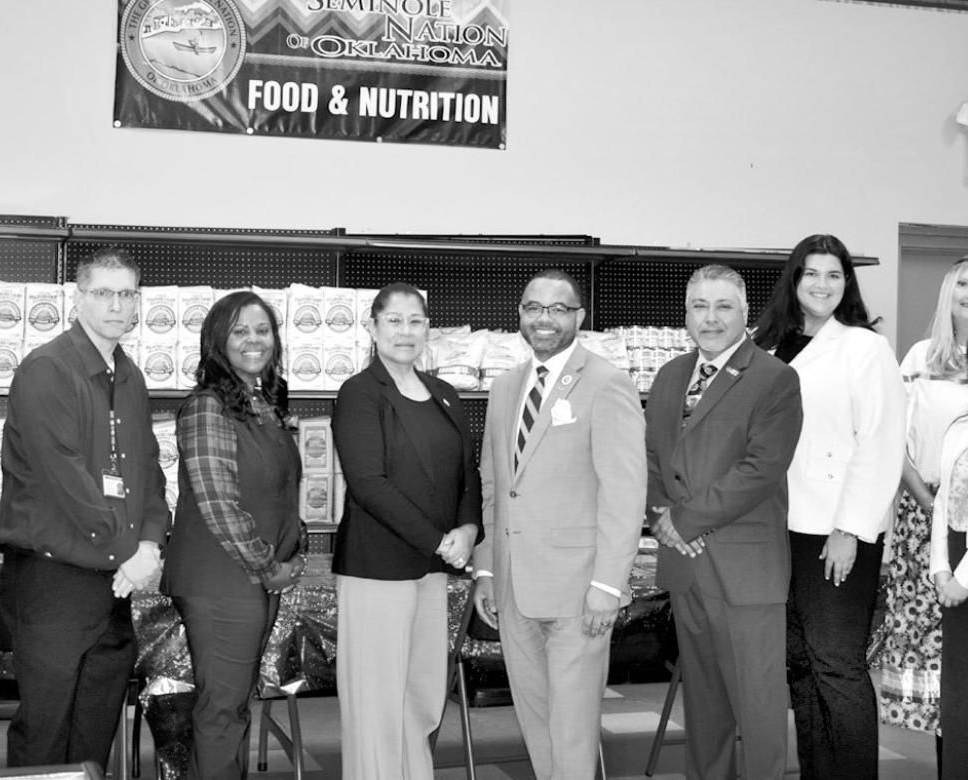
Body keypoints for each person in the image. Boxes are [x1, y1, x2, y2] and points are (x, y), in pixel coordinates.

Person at [0, 247, 170, 769]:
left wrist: (150, 543)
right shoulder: (48, 369)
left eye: (126, 293)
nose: (116, 305)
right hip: (56, 580)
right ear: (78, 299)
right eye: (103, 293)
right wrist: (128, 553)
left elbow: (149, 472)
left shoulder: (130, 375)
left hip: (112, 580)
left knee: (94, 728)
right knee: (45, 731)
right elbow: (64, 480)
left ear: (137, 303)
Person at [471, 269, 647, 780]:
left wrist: (607, 585)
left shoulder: (608, 383)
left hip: (580, 591)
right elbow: (493, 486)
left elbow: (625, 491)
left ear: (579, 317)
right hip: (512, 585)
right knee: (535, 719)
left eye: (557, 309)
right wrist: (486, 569)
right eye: (532, 308)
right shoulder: (505, 388)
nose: (543, 319)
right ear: (520, 315)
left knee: (572, 727)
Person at [752, 233, 906, 780]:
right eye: (811, 273)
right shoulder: (767, 344)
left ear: (848, 284)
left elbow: (881, 442)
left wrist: (851, 529)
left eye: (834, 275)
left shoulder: (865, 348)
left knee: (837, 665)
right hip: (776, 527)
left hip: (835, 531)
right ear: (793, 281)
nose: (822, 285)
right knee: (799, 666)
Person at [646, 265, 803, 779]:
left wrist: (684, 522)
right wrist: (662, 518)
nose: (710, 319)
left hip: (745, 570)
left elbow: (759, 470)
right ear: (686, 313)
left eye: (723, 307)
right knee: (705, 708)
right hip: (687, 568)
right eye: (699, 306)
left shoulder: (774, 378)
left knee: (758, 713)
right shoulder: (670, 376)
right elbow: (651, 459)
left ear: (744, 314)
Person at [331, 282, 483, 780]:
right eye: (394, 320)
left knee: (420, 696)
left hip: (431, 569)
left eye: (416, 321)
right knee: (377, 703)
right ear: (372, 328)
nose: (405, 331)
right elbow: (369, 484)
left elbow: (469, 471)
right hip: (378, 568)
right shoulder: (359, 393)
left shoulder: (443, 394)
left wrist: (468, 527)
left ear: (428, 330)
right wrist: (441, 541)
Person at [161, 291, 305, 780]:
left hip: (252, 580)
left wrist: (295, 548)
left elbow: (280, 491)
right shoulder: (208, 407)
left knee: (233, 705)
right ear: (217, 340)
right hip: (223, 581)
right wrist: (271, 568)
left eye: (262, 330)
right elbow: (220, 504)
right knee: (222, 710)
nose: (254, 340)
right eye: (240, 330)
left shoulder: (261, 403)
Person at [877, 255, 968, 760]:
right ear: (948, 292)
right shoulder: (920, 357)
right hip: (925, 517)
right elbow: (892, 438)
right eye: (962, 282)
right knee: (933, 641)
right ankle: (952, 754)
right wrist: (927, 498)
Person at [930, 319, 968, 780]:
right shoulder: (964, 425)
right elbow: (943, 501)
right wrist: (941, 569)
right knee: (960, 695)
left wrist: (964, 579)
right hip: (957, 570)